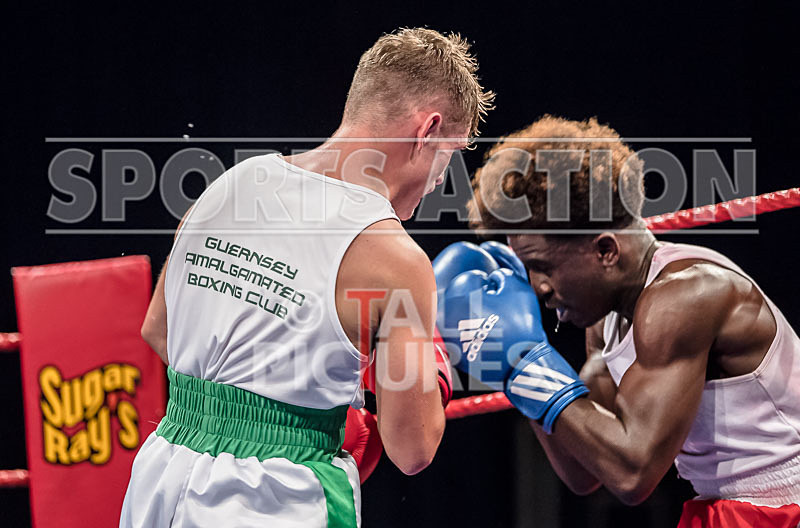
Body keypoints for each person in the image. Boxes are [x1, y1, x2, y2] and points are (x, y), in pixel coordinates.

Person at [121, 27, 493, 528]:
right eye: (449, 156)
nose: (440, 181)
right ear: (426, 132)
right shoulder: (396, 259)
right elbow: (413, 449)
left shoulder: (231, 184)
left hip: (162, 478)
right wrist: (436, 362)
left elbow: (158, 331)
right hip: (273, 499)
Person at [434, 116, 800, 526]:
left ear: (606, 250)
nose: (537, 288)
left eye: (542, 267)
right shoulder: (606, 320)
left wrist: (525, 361)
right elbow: (585, 469)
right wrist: (508, 367)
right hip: (729, 507)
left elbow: (633, 474)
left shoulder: (686, 295)